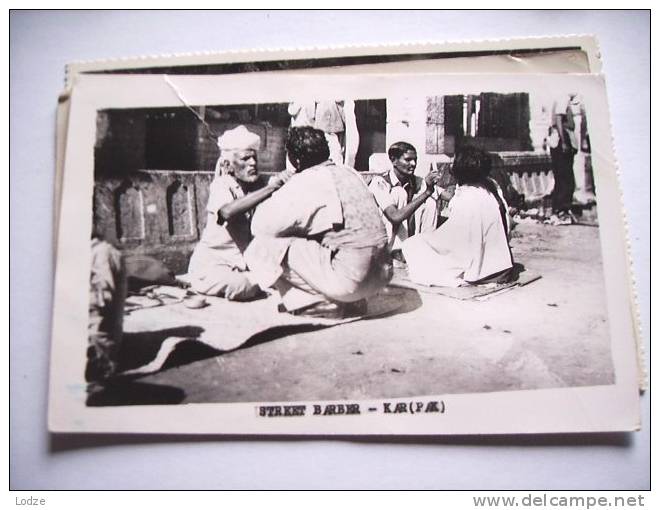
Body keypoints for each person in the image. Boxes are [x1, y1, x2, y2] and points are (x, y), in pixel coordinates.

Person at [244, 126, 392, 318]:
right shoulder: (350, 172)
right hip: (381, 276)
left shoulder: (307, 180)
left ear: (294, 160)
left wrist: (277, 186)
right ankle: (353, 300)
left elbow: (261, 226)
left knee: (263, 246)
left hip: (351, 282)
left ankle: (324, 302)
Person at [186, 125, 290, 300]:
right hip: (212, 267)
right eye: (245, 159)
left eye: (254, 158)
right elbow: (226, 212)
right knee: (243, 286)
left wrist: (288, 177)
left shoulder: (259, 184)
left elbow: (279, 181)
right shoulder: (221, 185)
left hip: (244, 264)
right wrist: (273, 187)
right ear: (228, 165)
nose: (253, 163)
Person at [402, 146, 514, 288]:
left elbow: (456, 241)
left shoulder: (465, 195)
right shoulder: (492, 186)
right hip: (503, 265)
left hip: (482, 271)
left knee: (413, 244)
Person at [368, 141, 440, 261]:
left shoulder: (415, 181)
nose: (413, 164)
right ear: (393, 160)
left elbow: (445, 195)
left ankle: (425, 250)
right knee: (399, 193)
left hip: (409, 241)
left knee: (430, 203)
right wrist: (426, 192)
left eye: (415, 160)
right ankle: (397, 252)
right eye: (408, 160)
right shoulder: (380, 182)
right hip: (381, 242)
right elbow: (395, 217)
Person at [548, 94, 579, 223]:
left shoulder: (565, 101)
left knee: (564, 177)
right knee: (565, 178)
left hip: (564, 139)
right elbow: (559, 119)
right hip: (562, 140)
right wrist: (564, 142)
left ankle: (561, 209)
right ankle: (561, 210)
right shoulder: (562, 98)